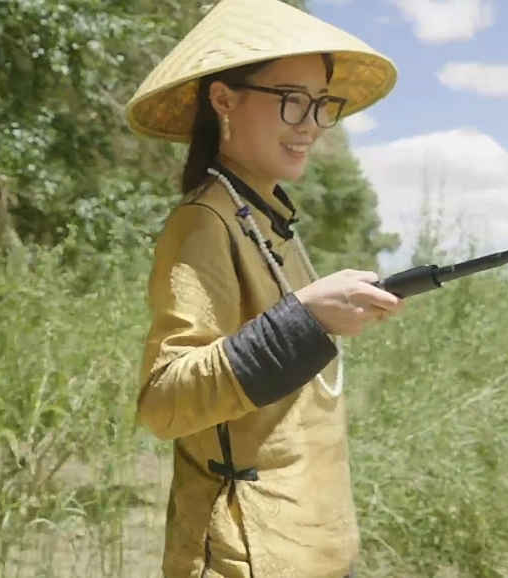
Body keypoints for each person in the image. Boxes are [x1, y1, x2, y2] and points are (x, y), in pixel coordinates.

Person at [123, 1, 404, 576]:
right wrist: (305, 318)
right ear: (224, 100)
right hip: (248, 554)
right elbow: (164, 401)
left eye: (323, 104)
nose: (311, 124)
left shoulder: (268, 217)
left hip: (313, 543)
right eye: (291, 100)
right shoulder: (205, 221)